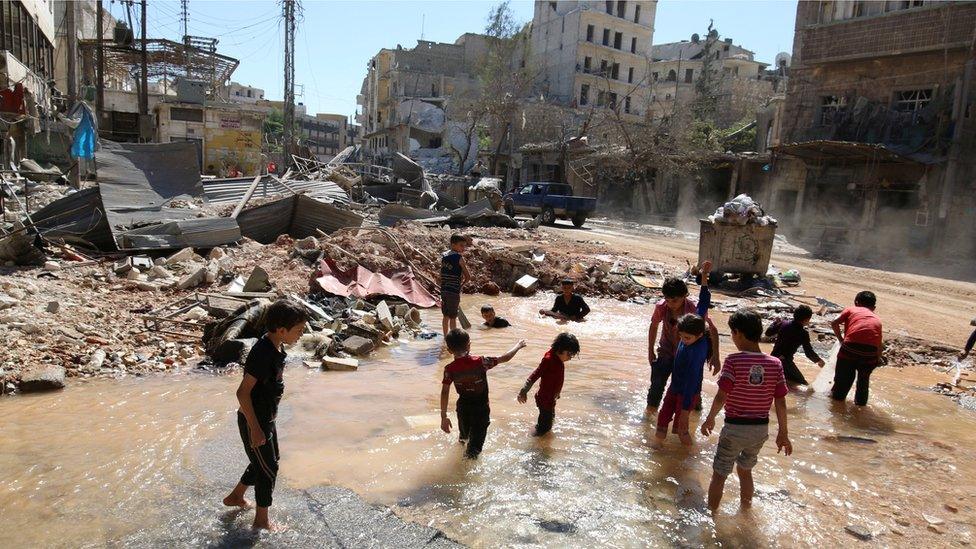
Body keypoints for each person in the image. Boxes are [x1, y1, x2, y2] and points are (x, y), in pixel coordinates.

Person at [222, 299, 308, 531]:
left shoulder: (276, 347)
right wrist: (256, 428)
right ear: (281, 330)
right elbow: (242, 393)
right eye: (299, 330)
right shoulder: (262, 353)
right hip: (255, 421)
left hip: (266, 419)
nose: (301, 335)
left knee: (267, 462)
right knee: (267, 469)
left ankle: (236, 497)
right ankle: (261, 521)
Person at [700, 309, 792, 513]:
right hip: (760, 430)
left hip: (735, 428)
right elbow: (781, 402)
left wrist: (709, 419)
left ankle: (711, 516)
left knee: (719, 474)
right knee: (745, 471)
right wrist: (783, 432)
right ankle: (745, 511)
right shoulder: (775, 363)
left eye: (732, 333)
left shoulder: (733, 360)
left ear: (738, 333)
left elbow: (722, 395)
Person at [440, 329, 526, 459]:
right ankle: (464, 473)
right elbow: (505, 358)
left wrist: (443, 416)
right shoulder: (481, 362)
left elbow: (445, 391)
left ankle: (459, 459)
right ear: (469, 345)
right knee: (474, 450)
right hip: (481, 410)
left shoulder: (449, 369)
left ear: (449, 350)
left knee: (463, 438)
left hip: (463, 408)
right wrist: (518, 346)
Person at [655, 261, 713, 446]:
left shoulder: (697, 351)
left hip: (687, 394)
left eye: (686, 338)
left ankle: (690, 461)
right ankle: (656, 449)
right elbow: (704, 300)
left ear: (699, 335)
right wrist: (704, 276)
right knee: (662, 422)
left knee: (681, 430)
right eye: (681, 335)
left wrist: (687, 410)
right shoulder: (694, 322)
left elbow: (692, 381)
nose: (682, 339)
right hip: (674, 389)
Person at [647, 276, 720, 415]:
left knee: (693, 390)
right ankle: (649, 416)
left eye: (674, 300)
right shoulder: (661, 307)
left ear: (684, 296)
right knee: (656, 386)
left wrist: (715, 356)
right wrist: (650, 351)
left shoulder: (693, 308)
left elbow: (712, 329)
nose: (671, 304)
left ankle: (695, 417)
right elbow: (654, 325)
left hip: (689, 354)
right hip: (666, 350)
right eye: (668, 300)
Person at [517, 333, 581, 436]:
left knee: (548, 420)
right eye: (569, 354)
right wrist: (523, 391)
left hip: (550, 398)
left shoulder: (558, 359)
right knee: (544, 427)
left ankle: (537, 434)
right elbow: (535, 375)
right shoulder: (548, 359)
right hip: (545, 399)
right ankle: (534, 443)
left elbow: (556, 379)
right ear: (560, 349)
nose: (570, 358)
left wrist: (557, 393)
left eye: (572, 355)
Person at [830, 291, 883, 406]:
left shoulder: (851, 309)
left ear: (856, 302)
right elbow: (879, 345)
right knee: (863, 382)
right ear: (874, 308)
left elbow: (834, 322)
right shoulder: (877, 319)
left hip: (850, 348)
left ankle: (837, 405)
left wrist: (841, 340)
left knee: (842, 381)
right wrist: (877, 359)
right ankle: (860, 407)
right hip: (870, 353)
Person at [768, 305, 825, 387]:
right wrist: (819, 360)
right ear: (806, 319)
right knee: (803, 385)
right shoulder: (803, 333)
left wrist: (774, 323)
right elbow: (808, 352)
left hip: (773, 359)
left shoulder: (783, 323)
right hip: (785, 363)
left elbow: (768, 333)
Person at [441, 234, 471, 337]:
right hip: (453, 291)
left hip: (444, 290)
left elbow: (442, 274)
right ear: (453, 245)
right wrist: (461, 285)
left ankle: (445, 338)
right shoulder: (459, 258)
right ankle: (453, 340)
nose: (463, 248)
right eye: (461, 245)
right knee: (453, 317)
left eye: (464, 246)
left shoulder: (444, 256)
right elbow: (468, 277)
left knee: (445, 316)